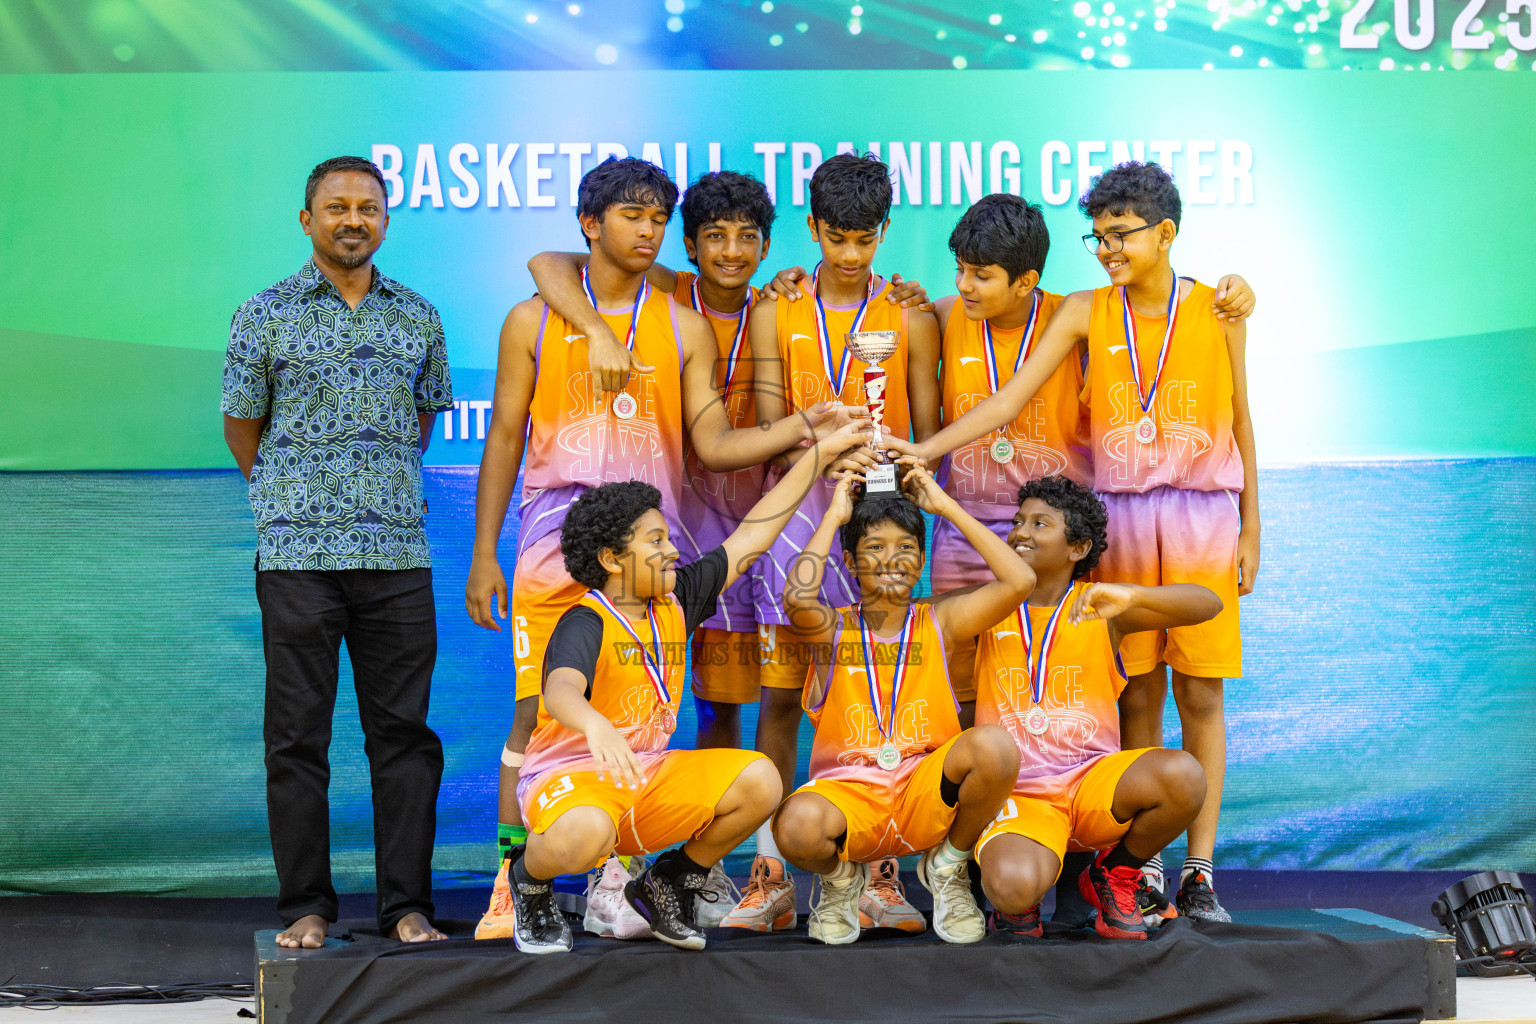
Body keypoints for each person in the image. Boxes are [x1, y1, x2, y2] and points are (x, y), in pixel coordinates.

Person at [466, 157, 864, 938]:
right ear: (591, 223)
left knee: (639, 710)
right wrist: (486, 552)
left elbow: (713, 444)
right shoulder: (533, 318)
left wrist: (808, 427)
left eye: (656, 219)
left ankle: (619, 882)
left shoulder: (681, 325)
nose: (646, 232)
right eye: (630, 217)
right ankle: (511, 879)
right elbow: (506, 436)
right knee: (534, 713)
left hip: (651, 545)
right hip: (554, 540)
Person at [890, 161, 1260, 920]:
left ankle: (1199, 869)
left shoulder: (1219, 309)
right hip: (1119, 511)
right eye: (1098, 235)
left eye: (1120, 234)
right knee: (1136, 684)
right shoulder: (1087, 310)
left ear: (1166, 232)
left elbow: (1244, 417)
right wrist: (927, 453)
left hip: (1201, 515)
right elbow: (1006, 401)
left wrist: (1255, 522)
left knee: (1201, 692)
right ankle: (1137, 867)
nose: (1106, 249)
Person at [526, 171, 927, 755]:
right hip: (687, 526)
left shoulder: (778, 304)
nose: (731, 252)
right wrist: (593, 328)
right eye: (715, 236)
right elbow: (548, 262)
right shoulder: (668, 293)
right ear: (691, 244)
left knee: (794, 687)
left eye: (747, 238)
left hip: (772, 514)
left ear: (768, 246)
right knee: (706, 697)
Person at [506, 417, 873, 954]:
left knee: (761, 781)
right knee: (583, 837)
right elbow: (560, 689)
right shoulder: (584, 620)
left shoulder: (676, 599)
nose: (672, 549)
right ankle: (528, 882)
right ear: (612, 559)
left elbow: (755, 531)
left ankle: (667, 884)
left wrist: (820, 454)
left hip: (641, 776)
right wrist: (595, 723)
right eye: (656, 540)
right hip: (571, 779)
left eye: (669, 537)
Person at [221, 155, 453, 949]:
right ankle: (308, 909)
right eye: (336, 207)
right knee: (297, 740)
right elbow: (242, 429)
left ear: (386, 219)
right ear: (307, 219)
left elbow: (420, 426)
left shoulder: (417, 316)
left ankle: (406, 908)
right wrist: (295, 498)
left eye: (368, 207)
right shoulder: (265, 314)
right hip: (297, 561)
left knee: (406, 740)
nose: (353, 219)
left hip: (397, 558)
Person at [724, 152, 942, 933]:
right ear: (812, 228)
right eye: (837, 239)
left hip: (879, 520)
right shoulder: (775, 309)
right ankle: (770, 875)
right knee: (782, 698)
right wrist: (817, 457)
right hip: (794, 519)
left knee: (881, 698)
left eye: (865, 240)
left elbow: (921, 430)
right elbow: (761, 429)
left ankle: (881, 871)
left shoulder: (911, 313)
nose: (851, 255)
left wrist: (883, 465)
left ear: (886, 231)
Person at [769, 463, 1029, 944]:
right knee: (797, 824)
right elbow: (795, 594)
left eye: (907, 547)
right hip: (851, 797)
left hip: (923, 792)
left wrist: (945, 507)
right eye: (874, 547)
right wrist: (833, 515)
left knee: (994, 747)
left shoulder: (941, 621)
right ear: (848, 561)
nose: (892, 559)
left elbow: (1019, 582)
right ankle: (841, 882)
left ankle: (948, 867)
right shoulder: (831, 630)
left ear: (922, 558)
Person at [973, 476, 1216, 940]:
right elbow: (920, 620)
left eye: (1040, 523)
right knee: (1012, 887)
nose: (1021, 532)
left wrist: (1135, 595)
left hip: (1092, 786)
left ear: (1077, 548)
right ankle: (1017, 904)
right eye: (1018, 521)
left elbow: (1208, 604)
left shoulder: (1103, 608)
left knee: (1184, 776)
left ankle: (1115, 873)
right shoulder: (987, 606)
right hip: (1020, 798)